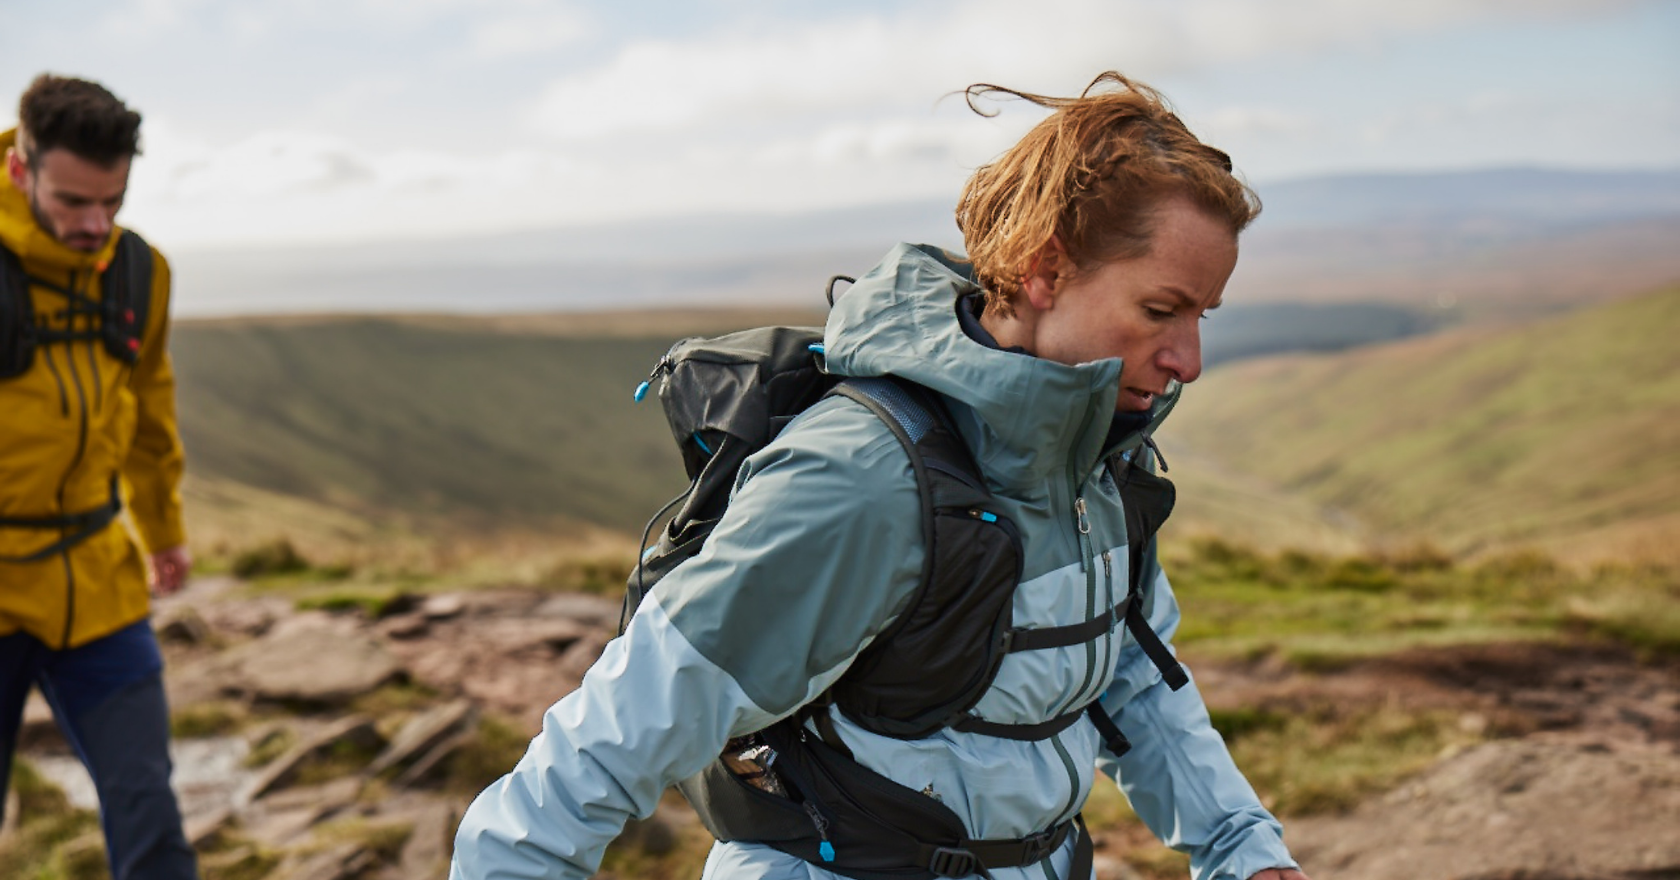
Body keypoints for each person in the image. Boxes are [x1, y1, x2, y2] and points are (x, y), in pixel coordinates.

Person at [452, 72, 1309, 880]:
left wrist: (1242, 845)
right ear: (1047, 272)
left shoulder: (1099, 465)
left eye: (1203, 315)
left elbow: (1125, 679)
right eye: (1161, 310)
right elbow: (625, 723)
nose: (1189, 359)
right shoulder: (865, 476)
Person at [0, 74, 197, 879]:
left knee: (147, 801)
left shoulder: (140, 273)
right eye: (73, 201)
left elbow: (150, 413)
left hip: (97, 578)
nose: (94, 224)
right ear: (21, 168)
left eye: (110, 202)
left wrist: (165, 533)